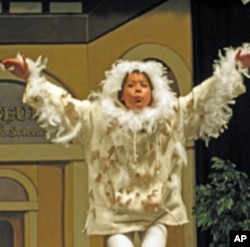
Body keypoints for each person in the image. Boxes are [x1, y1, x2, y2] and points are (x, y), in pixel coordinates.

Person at [1, 44, 250, 247]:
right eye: (131, 85)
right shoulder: (98, 117)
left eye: (143, 85)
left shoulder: (170, 116)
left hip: (156, 212)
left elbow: (201, 98)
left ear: (153, 92)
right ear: (121, 93)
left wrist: (233, 66)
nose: (138, 90)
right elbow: (65, 105)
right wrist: (32, 76)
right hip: (115, 215)